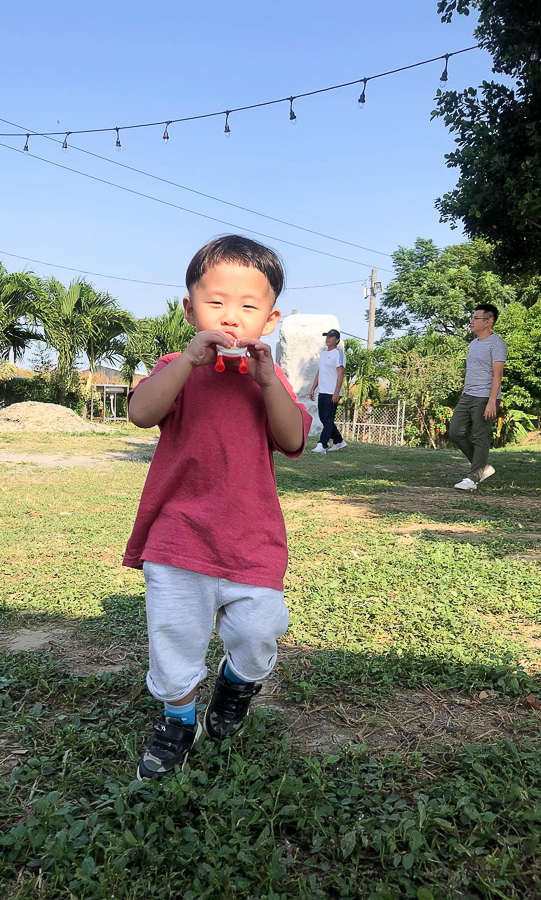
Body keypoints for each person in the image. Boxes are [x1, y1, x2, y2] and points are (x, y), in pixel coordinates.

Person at [123, 235, 312, 781]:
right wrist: (185, 362)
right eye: (216, 303)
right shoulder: (174, 368)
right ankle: (178, 719)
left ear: (270, 320)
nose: (231, 318)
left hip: (252, 540)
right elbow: (140, 411)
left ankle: (235, 682)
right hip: (179, 535)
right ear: (189, 309)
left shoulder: (268, 380)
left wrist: (267, 381)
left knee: (258, 633)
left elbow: (294, 438)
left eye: (248, 307)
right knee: (175, 636)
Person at [449, 303, 507, 491]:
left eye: (476, 318)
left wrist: (492, 401)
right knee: (455, 432)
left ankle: (472, 479)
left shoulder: (496, 343)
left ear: (488, 322)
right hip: (468, 395)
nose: (471, 321)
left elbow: (497, 374)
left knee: (480, 437)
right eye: (472, 318)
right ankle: (483, 467)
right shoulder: (474, 343)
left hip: (485, 397)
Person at [309, 328, 347, 453]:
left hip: (332, 392)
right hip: (322, 391)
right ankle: (339, 441)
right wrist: (313, 388)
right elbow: (319, 372)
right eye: (327, 336)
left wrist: (336, 392)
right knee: (323, 418)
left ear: (336, 340)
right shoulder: (323, 354)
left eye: (331, 337)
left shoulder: (338, 354)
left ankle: (322, 444)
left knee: (328, 419)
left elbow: (340, 374)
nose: (328, 338)